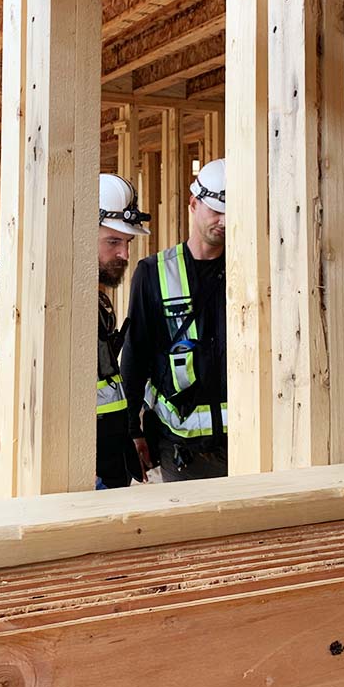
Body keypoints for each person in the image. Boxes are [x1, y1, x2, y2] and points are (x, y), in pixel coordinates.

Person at [121, 158, 227, 483]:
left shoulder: (254, 268)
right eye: (216, 210)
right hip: (181, 448)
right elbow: (135, 356)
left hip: (250, 441)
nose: (224, 220)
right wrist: (131, 430)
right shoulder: (153, 273)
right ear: (194, 204)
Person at [96, 173, 150, 488]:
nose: (125, 255)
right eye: (113, 241)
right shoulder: (55, 309)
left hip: (109, 456)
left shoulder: (98, 304)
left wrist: (126, 434)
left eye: (127, 243)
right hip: (83, 471)